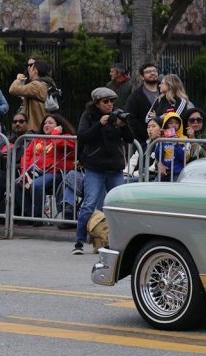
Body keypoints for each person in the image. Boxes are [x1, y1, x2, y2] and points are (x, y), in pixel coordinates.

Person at [73, 87, 134, 254]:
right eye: (105, 101)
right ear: (97, 103)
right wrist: (100, 124)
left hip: (115, 168)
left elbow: (130, 138)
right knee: (89, 203)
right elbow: (82, 137)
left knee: (120, 204)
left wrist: (123, 126)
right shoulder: (89, 116)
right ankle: (78, 242)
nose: (109, 104)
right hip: (95, 168)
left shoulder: (116, 117)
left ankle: (119, 241)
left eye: (112, 101)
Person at [14, 113, 76, 220]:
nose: (46, 125)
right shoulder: (38, 138)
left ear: (59, 126)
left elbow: (60, 144)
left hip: (55, 173)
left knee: (37, 185)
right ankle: (28, 215)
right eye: (45, 123)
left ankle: (37, 217)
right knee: (17, 184)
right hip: (35, 171)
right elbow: (27, 155)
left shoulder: (67, 137)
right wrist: (24, 172)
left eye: (50, 123)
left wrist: (55, 133)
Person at [9, 60, 55, 132]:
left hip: (34, 127)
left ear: (35, 71)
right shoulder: (46, 83)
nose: (28, 69)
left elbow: (13, 90)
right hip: (40, 124)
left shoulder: (36, 85)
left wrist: (18, 79)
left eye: (31, 67)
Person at [124, 62, 160, 145]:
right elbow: (131, 118)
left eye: (154, 71)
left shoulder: (166, 91)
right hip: (144, 141)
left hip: (165, 138)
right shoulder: (136, 96)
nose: (152, 73)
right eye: (148, 72)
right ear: (142, 77)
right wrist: (148, 132)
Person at [156, 112, 188, 182]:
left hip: (177, 174)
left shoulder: (184, 139)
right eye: (170, 123)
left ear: (180, 124)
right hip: (164, 173)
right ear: (166, 125)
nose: (174, 125)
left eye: (176, 123)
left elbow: (184, 158)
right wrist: (160, 142)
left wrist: (176, 144)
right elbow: (158, 157)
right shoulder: (162, 139)